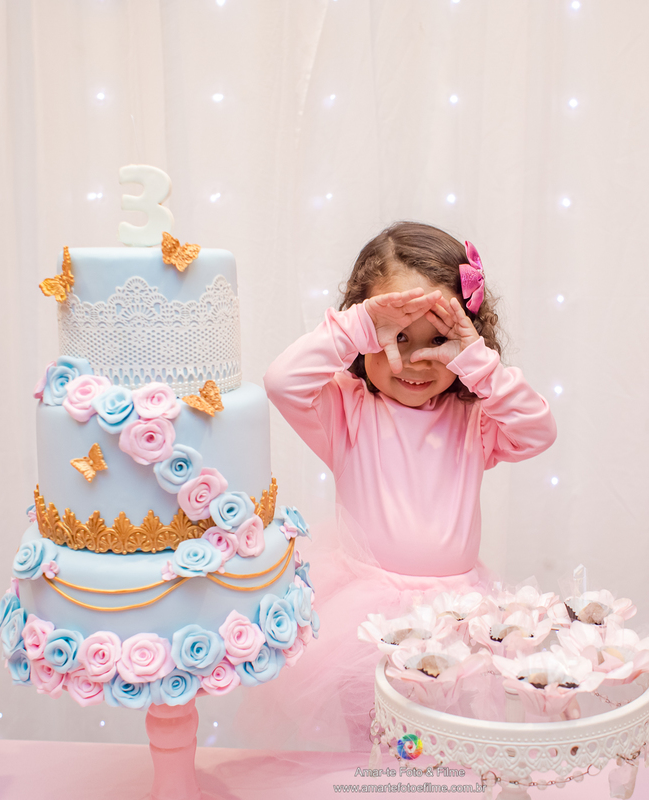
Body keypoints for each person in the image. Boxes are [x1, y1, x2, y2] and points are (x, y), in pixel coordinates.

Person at [237, 221, 557, 752]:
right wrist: (358, 326)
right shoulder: (347, 409)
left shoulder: (474, 418)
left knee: (447, 744)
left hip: (458, 614)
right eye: (398, 337)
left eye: (438, 341)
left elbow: (538, 430)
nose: (415, 361)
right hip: (365, 618)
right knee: (377, 745)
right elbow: (281, 381)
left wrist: (476, 362)